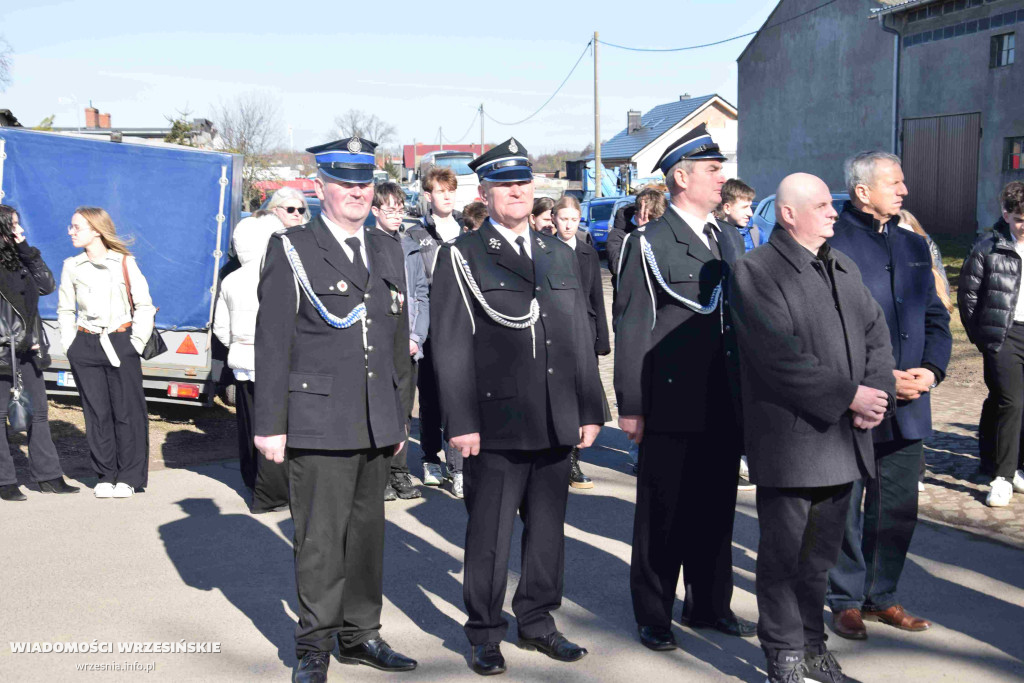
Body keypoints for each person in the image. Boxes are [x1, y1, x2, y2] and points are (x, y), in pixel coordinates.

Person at [429, 138, 606, 676]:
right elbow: (450, 346)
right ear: (484, 192)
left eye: (524, 183)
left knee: (548, 530)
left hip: (555, 414)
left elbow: (577, 335)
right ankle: (485, 631)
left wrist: (590, 407)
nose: (517, 192)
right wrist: (460, 422)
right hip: (496, 421)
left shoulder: (558, 251)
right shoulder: (462, 254)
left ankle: (538, 619)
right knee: (490, 535)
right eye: (505, 185)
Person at [253, 136, 417, 682]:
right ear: (320, 187)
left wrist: (399, 414)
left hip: (375, 417)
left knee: (368, 536)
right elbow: (272, 341)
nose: (357, 193)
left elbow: (396, 341)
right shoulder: (293, 248)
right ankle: (315, 645)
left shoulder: (387, 248)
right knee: (321, 540)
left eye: (364, 184)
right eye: (345, 183)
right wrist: (270, 424)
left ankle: (360, 634)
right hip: (318, 418)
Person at [730, 172, 896, 683]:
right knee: (784, 558)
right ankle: (783, 654)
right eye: (822, 205)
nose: (833, 212)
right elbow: (779, 357)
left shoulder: (841, 265)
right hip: (793, 443)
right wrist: (850, 396)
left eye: (831, 204)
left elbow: (876, 334)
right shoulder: (756, 271)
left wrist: (874, 395)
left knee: (820, 558)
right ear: (788, 214)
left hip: (845, 439)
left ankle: (812, 646)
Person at [614, 124, 754, 651]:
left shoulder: (726, 236)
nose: (722, 178)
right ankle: (654, 613)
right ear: (680, 177)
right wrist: (631, 404)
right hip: (670, 399)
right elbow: (632, 325)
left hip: (724, 397)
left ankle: (710, 604)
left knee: (715, 509)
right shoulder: (648, 242)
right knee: (663, 513)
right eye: (712, 170)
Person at [825, 151, 951, 641]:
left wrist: (932, 371)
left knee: (897, 505)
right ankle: (845, 600)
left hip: (911, 401)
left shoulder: (913, 243)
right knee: (845, 505)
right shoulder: (832, 241)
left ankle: (882, 596)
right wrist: (876, 377)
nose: (904, 191)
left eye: (903, 182)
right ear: (862, 191)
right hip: (856, 398)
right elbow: (824, 326)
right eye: (894, 183)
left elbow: (936, 316)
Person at [57, 207, 155, 499]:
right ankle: (105, 474)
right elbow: (65, 309)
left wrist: (135, 343)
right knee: (96, 413)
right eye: (71, 226)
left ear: (97, 230)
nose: (71, 232)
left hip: (120, 342)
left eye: (77, 227)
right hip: (85, 344)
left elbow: (145, 305)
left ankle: (129, 477)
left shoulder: (124, 262)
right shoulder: (72, 266)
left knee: (127, 413)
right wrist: (70, 344)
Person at [0, 205, 79, 501]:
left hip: (29, 350)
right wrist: (16, 341)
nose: (20, 229)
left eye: (19, 224)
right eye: (13, 225)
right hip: (4, 350)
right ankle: (5, 481)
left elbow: (47, 285)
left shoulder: (21, 258)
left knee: (39, 414)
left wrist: (25, 249)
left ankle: (48, 477)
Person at [212, 214, 287, 513]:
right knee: (275, 427)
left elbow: (221, 328)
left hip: (242, 361)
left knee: (248, 424)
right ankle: (273, 494)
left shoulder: (231, 279)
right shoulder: (279, 275)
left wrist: (238, 345)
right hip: (275, 363)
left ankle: (251, 480)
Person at [959, 180, 1024, 507]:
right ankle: (1002, 477)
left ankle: (1017, 468)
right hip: (1004, 335)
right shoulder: (988, 247)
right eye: (1020, 219)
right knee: (1011, 402)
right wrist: (983, 339)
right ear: (1006, 214)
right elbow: (968, 296)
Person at [406, 165, 465, 489]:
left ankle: (458, 468)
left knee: (457, 396)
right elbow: (415, 286)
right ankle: (430, 458)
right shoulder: (416, 235)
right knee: (429, 398)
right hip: (429, 328)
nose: (447, 196)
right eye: (441, 191)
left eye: (451, 191)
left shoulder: (466, 232)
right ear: (428, 196)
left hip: (459, 327)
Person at [370, 181, 427, 501]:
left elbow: (421, 295)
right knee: (381, 408)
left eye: (400, 209)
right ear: (375, 211)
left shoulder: (409, 246)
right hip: (381, 341)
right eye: (389, 209)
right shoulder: (368, 244)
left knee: (404, 409)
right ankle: (379, 474)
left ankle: (399, 470)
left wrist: (416, 336)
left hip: (408, 342)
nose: (396, 215)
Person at [552, 195, 611, 489]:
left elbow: (596, 297)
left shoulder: (587, 253)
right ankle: (556, 456)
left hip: (584, 332)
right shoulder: (544, 249)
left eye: (574, 220)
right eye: (563, 219)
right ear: (554, 219)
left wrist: (601, 338)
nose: (568, 225)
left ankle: (574, 460)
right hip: (555, 333)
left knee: (582, 397)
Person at [898, 208, 954, 493]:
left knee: (914, 404)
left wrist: (933, 366)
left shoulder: (926, 260)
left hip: (919, 344)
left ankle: (915, 469)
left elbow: (939, 308)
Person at [715, 178, 761, 252]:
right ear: (727, 208)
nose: (750, 213)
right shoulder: (713, 235)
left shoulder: (756, 233)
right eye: (744, 207)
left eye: (750, 206)